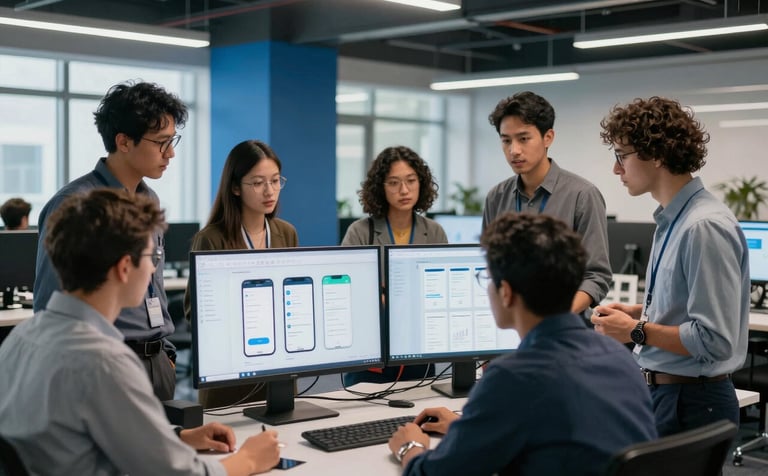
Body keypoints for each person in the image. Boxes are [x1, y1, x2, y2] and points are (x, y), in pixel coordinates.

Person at [0, 188, 280, 475]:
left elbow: (82, 435)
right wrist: (248, 459)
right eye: (152, 257)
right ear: (124, 268)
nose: (153, 269)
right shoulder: (104, 362)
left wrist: (177, 438)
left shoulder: (19, 339)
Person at [387, 213, 657, 475]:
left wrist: (410, 447)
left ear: (506, 292)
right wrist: (473, 428)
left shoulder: (513, 377)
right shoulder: (619, 357)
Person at [594, 96, 749, 436]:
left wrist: (635, 331)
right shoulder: (674, 220)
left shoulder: (703, 226)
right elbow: (687, 308)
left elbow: (713, 339)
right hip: (671, 395)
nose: (616, 169)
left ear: (657, 155)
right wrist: (639, 313)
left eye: (622, 156)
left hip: (691, 401)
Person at [33, 81, 187, 401]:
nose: (170, 153)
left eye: (172, 141)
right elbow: (49, 305)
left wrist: (166, 355)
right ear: (124, 141)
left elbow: (154, 285)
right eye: (161, 142)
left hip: (157, 361)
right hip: (104, 365)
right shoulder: (76, 205)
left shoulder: (149, 199)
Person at [184, 139, 298, 408]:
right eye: (258, 183)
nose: (269, 191)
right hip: (230, 376)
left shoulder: (286, 233)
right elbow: (194, 313)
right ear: (235, 187)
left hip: (279, 369)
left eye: (275, 181)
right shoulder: (211, 239)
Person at [482, 91, 611, 314]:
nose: (514, 150)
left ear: (548, 137)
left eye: (523, 139)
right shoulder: (496, 197)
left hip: (564, 326)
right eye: (506, 141)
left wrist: (556, 317)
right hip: (512, 324)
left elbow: (595, 276)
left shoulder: (582, 195)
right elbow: (489, 267)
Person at [341, 145, 447, 385]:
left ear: (421, 183)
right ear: (380, 187)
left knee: (421, 406)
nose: (404, 190)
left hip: (418, 351)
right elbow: (345, 293)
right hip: (371, 354)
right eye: (393, 183)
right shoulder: (360, 232)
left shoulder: (434, 232)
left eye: (411, 180)